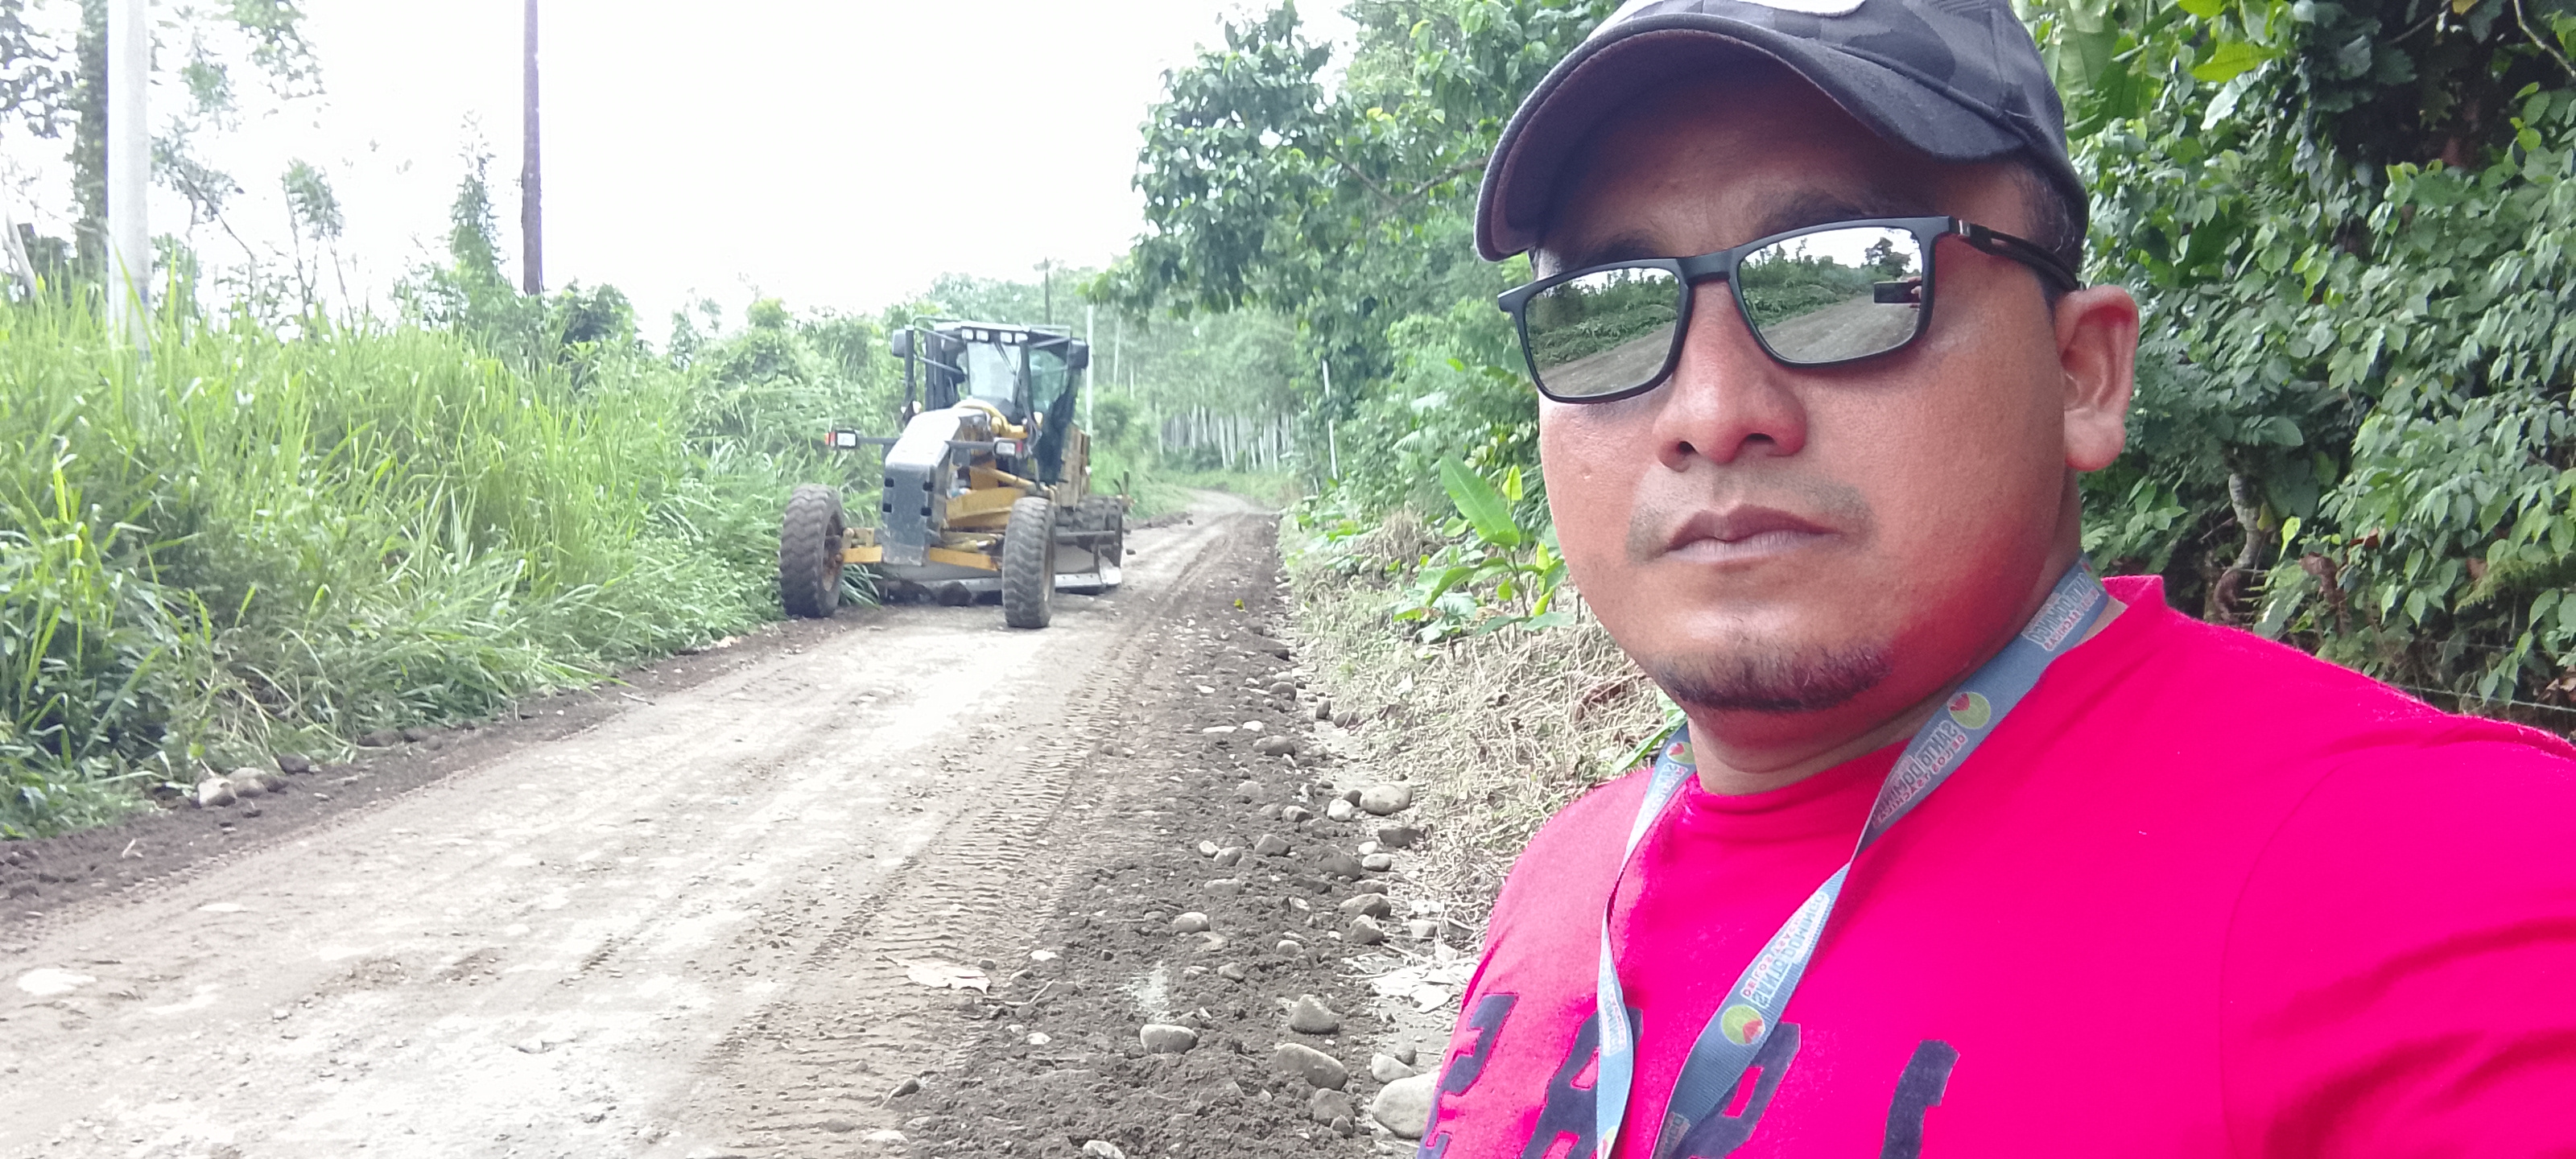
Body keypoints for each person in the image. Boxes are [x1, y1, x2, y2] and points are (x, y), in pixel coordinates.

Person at [1422, 2, 2576, 1156]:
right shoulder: (1568, 876)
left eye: (1850, 280)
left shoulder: (2433, 882)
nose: (1713, 413)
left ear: (2081, 374)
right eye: (1607, 310)